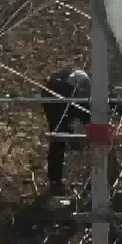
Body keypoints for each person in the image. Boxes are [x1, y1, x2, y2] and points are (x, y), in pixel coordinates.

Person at [40, 67, 90, 197]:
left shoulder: (80, 83)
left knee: (64, 132)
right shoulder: (56, 88)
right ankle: (55, 182)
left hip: (66, 98)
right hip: (53, 101)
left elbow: (84, 109)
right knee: (58, 139)